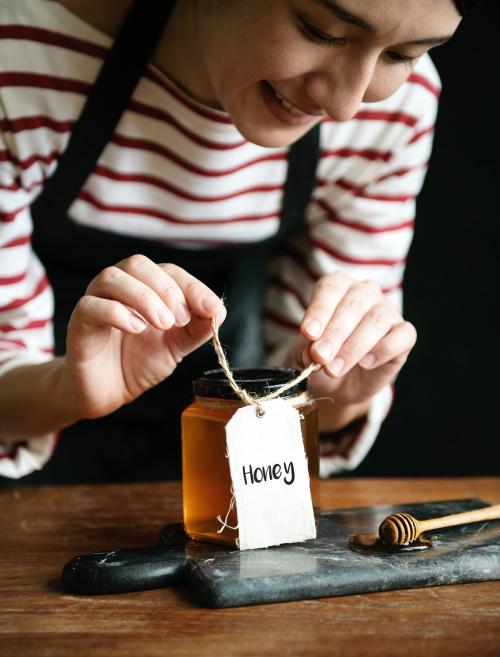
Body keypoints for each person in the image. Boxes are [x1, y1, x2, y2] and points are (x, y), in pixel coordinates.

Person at [0, 0, 469, 483]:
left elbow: (313, 408)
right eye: (321, 30)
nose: (345, 105)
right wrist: (68, 388)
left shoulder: (392, 114)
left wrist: (339, 393)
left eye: (402, 55)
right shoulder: (21, 59)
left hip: (222, 484)